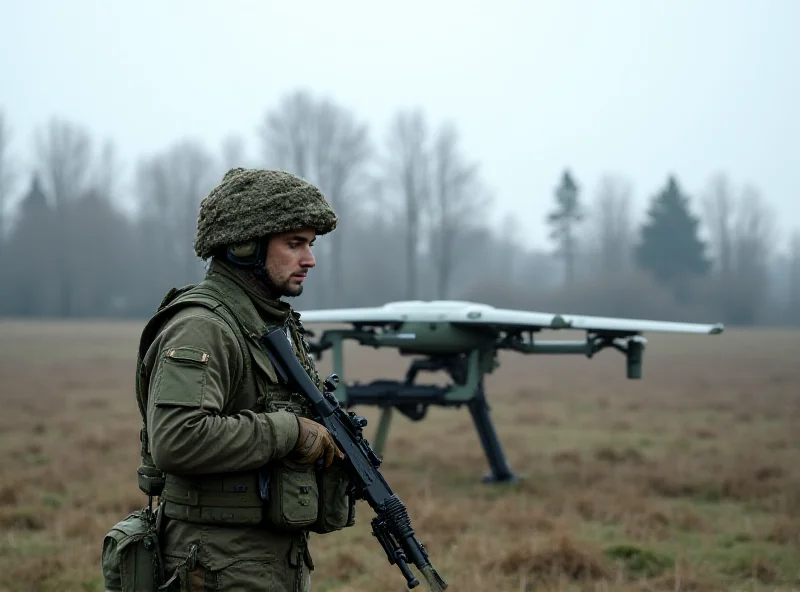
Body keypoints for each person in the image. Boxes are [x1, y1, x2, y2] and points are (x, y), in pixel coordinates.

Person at [110, 168, 356, 591]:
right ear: (245, 245)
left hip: (266, 560)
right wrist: (291, 431)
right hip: (215, 565)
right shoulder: (202, 327)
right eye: (294, 243)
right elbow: (177, 438)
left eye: (310, 245)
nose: (309, 259)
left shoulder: (270, 323)